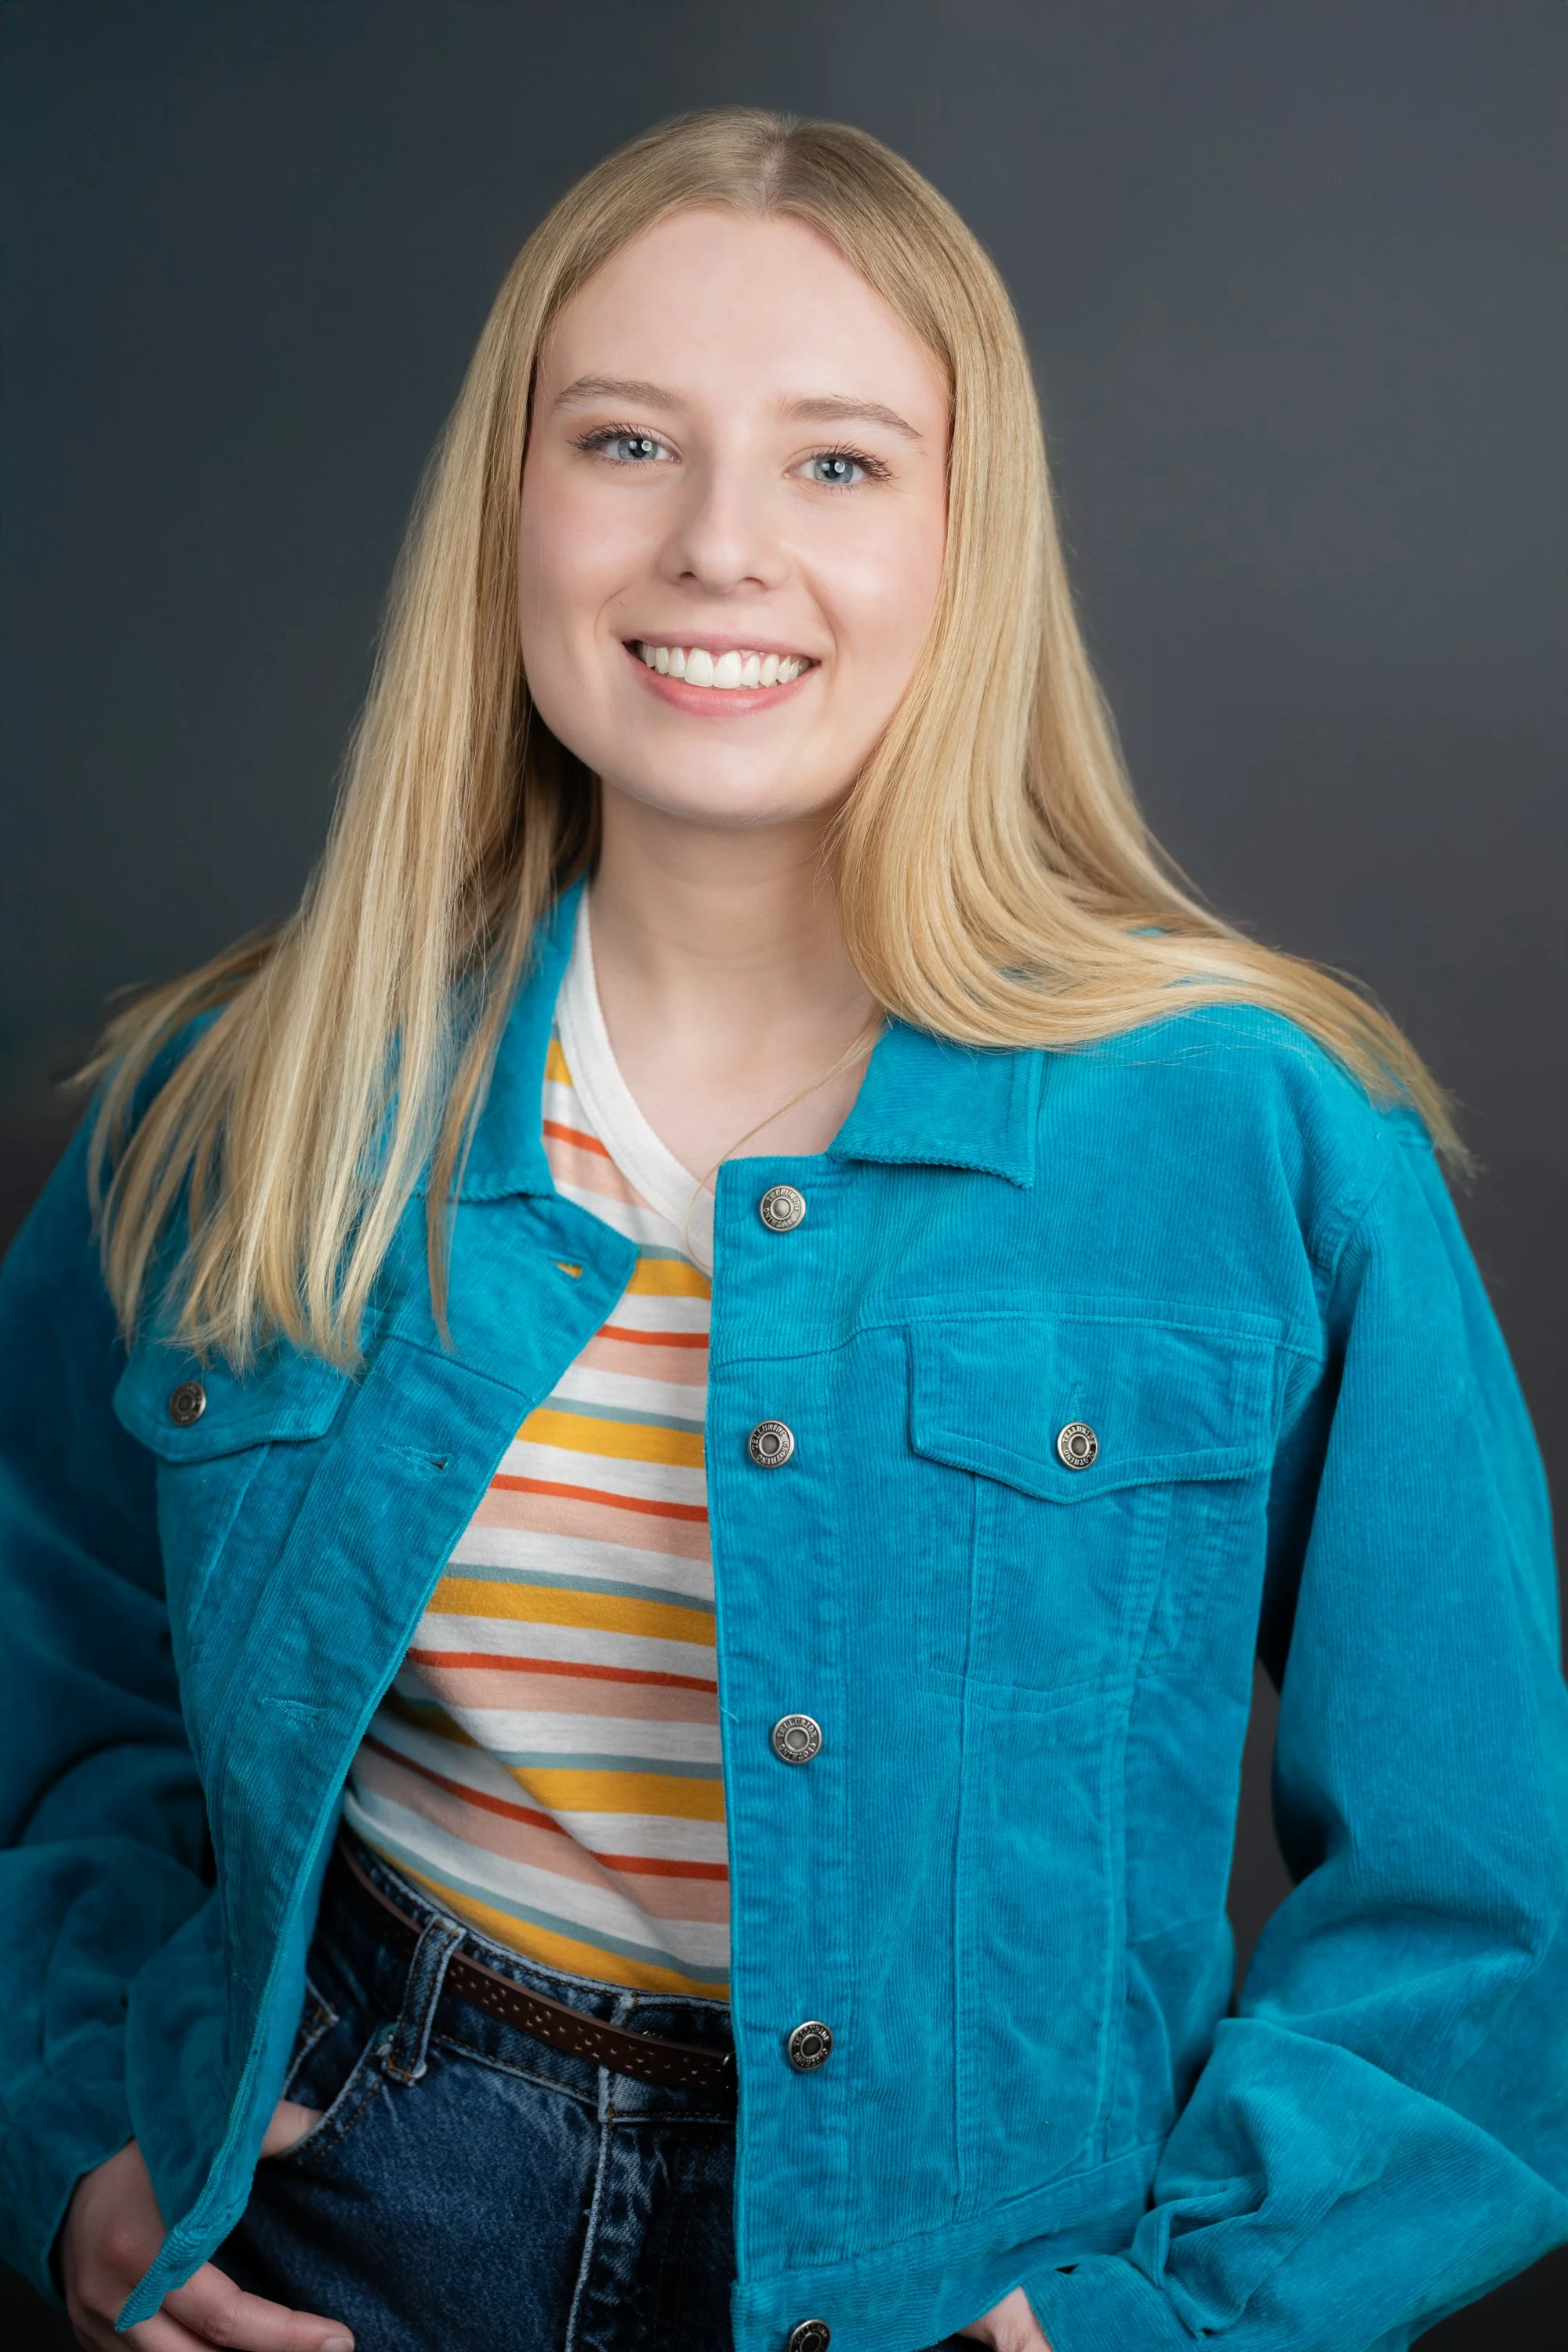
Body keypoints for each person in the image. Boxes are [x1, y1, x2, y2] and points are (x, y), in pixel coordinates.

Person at [1, 103, 1563, 2352]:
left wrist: (1185, 2319)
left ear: (963, 540)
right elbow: (47, 1704)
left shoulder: (1260, 1136)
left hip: (973, 2286)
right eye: (627, 442)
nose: (719, 545)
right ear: (510, 508)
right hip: (354, 2230)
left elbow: (1489, 1896)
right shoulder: (236, 1105)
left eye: (838, 462)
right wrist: (78, 2132)